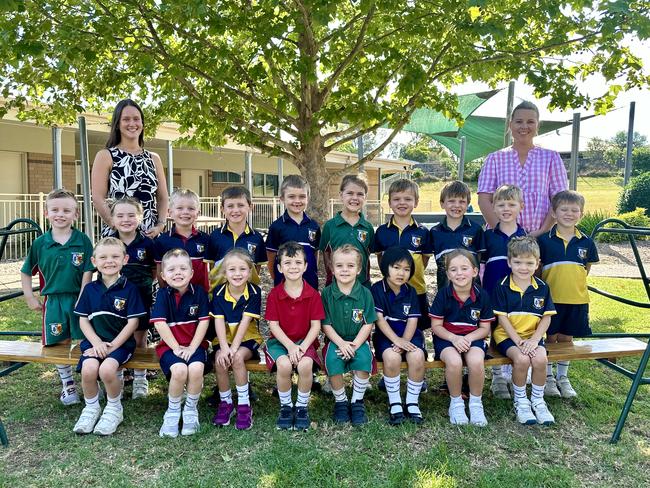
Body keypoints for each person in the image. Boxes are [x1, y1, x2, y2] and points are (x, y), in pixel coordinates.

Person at [20, 189, 94, 405]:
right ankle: (68, 384)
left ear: (76, 214)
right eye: (55, 210)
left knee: (85, 339)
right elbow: (26, 271)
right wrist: (29, 297)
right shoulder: (40, 243)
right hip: (53, 301)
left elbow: (87, 272)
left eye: (66, 210)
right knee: (59, 342)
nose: (60, 214)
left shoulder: (83, 241)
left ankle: (89, 380)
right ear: (46, 213)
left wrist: (83, 299)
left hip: (79, 300)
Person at [72, 237, 146, 435]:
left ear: (125, 259)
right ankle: (91, 408)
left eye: (115, 256)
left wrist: (113, 345)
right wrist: (96, 343)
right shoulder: (90, 289)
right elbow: (83, 320)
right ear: (94, 262)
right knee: (88, 369)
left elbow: (133, 323)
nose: (109, 261)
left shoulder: (130, 289)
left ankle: (114, 408)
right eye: (103, 257)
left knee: (106, 370)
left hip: (120, 344)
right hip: (94, 342)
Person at [538, 190, 599, 398]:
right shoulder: (544, 241)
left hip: (576, 300)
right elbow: (538, 270)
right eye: (564, 209)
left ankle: (562, 377)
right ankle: (547, 378)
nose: (569, 213)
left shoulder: (586, 242)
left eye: (575, 210)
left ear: (581, 214)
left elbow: (586, 269)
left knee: (566, 339)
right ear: (554, 213)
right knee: (550, 337)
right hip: (551, 301)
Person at [477, 100, 568, 237]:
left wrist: (542, 231)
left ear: (538, 125)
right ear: (510, 125)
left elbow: (559, 200)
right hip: (501, 237)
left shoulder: (551, 158)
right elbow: (484, 200)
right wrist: (502, 231)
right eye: (519, 121)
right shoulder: (495, 159)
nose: (524, 126)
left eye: (530, 122)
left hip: (541, 236)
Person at [491, 236, 556, 425]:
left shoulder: (542, 287)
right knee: (521, 358)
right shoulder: (502, 286)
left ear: (537, 264)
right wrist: (518, 341)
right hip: (508, 336)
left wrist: (535, 340)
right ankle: (520, 401)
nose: (523, 267)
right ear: (509, 262)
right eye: (518, 262)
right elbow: (502, 319)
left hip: (532, 336)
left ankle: (538, 400)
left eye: (529, 263)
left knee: (540, 359)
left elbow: (546, 317)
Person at [430, 250, 494, 426]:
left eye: (464, 268)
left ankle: (475, 403)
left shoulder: (482, 296)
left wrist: (468, 338)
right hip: (447, 338)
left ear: (474, 271)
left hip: (473, 337)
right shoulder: (443, 295)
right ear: (448, 274)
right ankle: (456, 403)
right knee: (454, 362)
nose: (459, 273)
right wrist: (454, 339)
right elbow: (436, 326)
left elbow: (484, 328)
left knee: (475, 361)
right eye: (453, 269)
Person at [264, 241, 324, 431]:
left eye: (298, 262)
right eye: (288, 263)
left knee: (305, 365)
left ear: (306, 266)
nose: (293, 267)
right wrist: (290, 346)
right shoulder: (274, 294)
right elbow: (273, 325)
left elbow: (316, 326)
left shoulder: (313, 294)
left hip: (305, 342)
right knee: (284, 365)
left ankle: (301, 407)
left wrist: (302, 347)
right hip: (280, 343)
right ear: (280, 268)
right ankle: (286, 407)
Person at [151, 249, 210, 437]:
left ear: (192, 273)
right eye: (172, 269)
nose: (178, 273)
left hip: (195, 346)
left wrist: (192, 347)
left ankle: (191, 409)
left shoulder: (199, 293)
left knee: (196, 369)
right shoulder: (162, 295)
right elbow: (160, 324)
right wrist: (176, 348)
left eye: (183, 268)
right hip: (170, 347)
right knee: (179, 371)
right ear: (163, 275)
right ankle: (173, 411)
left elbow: (203, 322)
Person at [91, 98, 169, 239]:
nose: (132, 124)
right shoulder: (106, 156)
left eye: (136, 119)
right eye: (126, 119)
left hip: (149, 236)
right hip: (118, 237)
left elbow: (163, 198)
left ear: (142, 124)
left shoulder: (154, 159)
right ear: (117, 124)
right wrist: (115, 225)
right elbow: (98, 198)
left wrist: (160, 225)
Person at [321, 245, 378, 426]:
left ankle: (357, 401)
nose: (344, 270)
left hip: (357, 340)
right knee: (332, 361)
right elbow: (325, 323)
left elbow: (368, 322)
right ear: (332, 268)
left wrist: (354, 344)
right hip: (335, 340)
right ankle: (341, 401)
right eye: (339, 266)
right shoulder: (327, 293)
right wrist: (340, 343)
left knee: (363, 360)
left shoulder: (365, 293)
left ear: (359, 269)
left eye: (350, 266)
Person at [481, 185, 527, 399]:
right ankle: (497, 376)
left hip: (515, 295)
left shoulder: (525, 237)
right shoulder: (487, 236)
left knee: (511, 329)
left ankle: (511, 371)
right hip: (491, 293)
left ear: (521, 207)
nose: (506, 208)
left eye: (511, 204)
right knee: (491, 330)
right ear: (494, 208)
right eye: (501, 204)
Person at [371, 247, 426, 425]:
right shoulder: (377, 289)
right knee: (392, 358)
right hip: (387, 337)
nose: (401, 273)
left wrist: (405, 341)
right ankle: (394, 402)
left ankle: (412, 402)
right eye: (396, 267)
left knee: (417, 356)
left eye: (407, 269)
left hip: (409, 337)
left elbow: (412, 320)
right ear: (386, 267)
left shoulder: (411, 291)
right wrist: (396, 341)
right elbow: (379, 319)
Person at [210, 248, 263, 430]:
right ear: (225, 273)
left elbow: (244, 323)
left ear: (250, 272)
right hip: (224, 338)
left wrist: (233, 350)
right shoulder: (218, 292)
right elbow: (218, 322)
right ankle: (226, 404)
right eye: (232, 269)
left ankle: (244, 405)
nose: (237, 274)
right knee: (220, 360)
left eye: (242, 269)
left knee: (238, 358)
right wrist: (224, 348)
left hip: (247, 339)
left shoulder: (255, 292)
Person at [110, 197, 156, 399]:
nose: (126, 219)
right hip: (115, 301)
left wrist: (142, 286)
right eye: (120, 215)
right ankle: (119, 376)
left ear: (140, 217)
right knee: (117, 337)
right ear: (112, 219)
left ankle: (140, 378)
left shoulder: (148, 243)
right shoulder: (109, 243)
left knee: (140, 337)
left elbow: (155, 270)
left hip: (141, 298)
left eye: (131, 215)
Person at [374, 179, 432, 330]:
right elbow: (381, 259)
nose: (402, 203)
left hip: (417, 290)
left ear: (416, 202)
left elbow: (424, 260)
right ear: (390, 202)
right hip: (390, 291)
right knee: (391, 326)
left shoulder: (423, 232)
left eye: (408, 199)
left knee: (418, 329)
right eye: (397, 199)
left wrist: (412, 274)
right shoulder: (382, 231)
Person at [266, 175, 321, 291]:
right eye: (291, 197)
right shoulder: (276, 227)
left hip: (310, 284)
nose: (297, 201)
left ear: (308, 198)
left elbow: (315, 254)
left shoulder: (314, 226)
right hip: (285, 285)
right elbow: (271, 259)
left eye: (302, 196)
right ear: (282, 198)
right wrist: (277, 278)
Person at [206, 186, 267, 288]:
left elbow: (257, 269)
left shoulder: (257, 238)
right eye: (230, 206)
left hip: (247, 296)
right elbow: (212, 268)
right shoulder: (215, 236)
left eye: (240, 205)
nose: (235, 210)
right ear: (222, 209)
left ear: (250, 207)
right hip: (219, 297)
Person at [320, 174, 374, 287]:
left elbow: (368, 254)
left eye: (360, 194)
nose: (355, 198)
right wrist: (331, 277)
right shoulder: (330, 226)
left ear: (365, 197)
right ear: (341, 195)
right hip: (336, 286)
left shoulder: (368, 227)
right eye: (350, 193)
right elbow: (326, 253)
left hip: (362, 286)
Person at [430, 180, 485, 290]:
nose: (457, 205)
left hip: (472, 291)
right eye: (451, 201)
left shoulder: (476, 229)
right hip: (445, 291)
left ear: (468, 204)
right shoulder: (435, 232)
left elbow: (479, 259)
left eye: (462, 201)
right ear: (442, 203)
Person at [153, 188, 210, 292]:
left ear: (198, 213)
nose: (185, 212)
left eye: (191, 208)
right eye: (180, 208)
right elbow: (159, 272)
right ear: (170, 212)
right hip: (172, 299)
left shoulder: (206, 239)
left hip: (200, 298)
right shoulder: (162, 241)